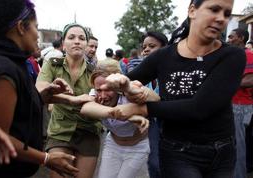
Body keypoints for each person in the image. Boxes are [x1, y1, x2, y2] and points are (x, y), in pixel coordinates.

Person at [101, 0, 246, 177]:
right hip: (178, 152)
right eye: (214, 9)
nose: (221, 18)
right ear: (192, 11)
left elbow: (200, 107)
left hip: (221, 151)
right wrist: (119, 81)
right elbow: (125, 81)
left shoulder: (233, 56)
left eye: (226, 13)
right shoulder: (164, 56)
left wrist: (142, 108)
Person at [0, 0, 79, 177]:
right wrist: (46, 158)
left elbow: (16, 110)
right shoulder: (2, 69)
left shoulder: (14, 62)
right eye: (36, 27)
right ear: (21, 27)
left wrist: (41, 96)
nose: (37, 35)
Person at [36, 23, 102, 178]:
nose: (77, 41)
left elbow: (101, 100)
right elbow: (39, 90)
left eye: (81, 38)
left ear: (86, 45)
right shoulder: (52, 64)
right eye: (71, 37)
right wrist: (71, 100)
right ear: (63, 44)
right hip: (60, 130)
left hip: (89, 130)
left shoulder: (95, 73)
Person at [80, 60, 158, 178]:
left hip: (138, 148)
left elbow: (156, 100)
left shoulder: (130, 92)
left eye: (108, 89)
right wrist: (121, 114)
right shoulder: (95, 94)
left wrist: (131, 92)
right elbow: (85, 108)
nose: (103, 95)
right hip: (113, 145)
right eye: (99, 90)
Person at [139, 31, 168, 178]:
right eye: (144, 46)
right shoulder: (141, 75)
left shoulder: (170, 74)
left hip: (171, 125)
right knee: (154, 163)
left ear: (164, 48)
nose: (146, 49)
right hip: (152, 125)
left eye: (152, 46)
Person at [228, 28, 253, 178]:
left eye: (232, 37)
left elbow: (250, 79)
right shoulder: (235, 55)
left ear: (241, 38)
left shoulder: (248, 55)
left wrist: (226, 83)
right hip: (234, 104)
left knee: (238, 145)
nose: (229, 39)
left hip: (241, 106)